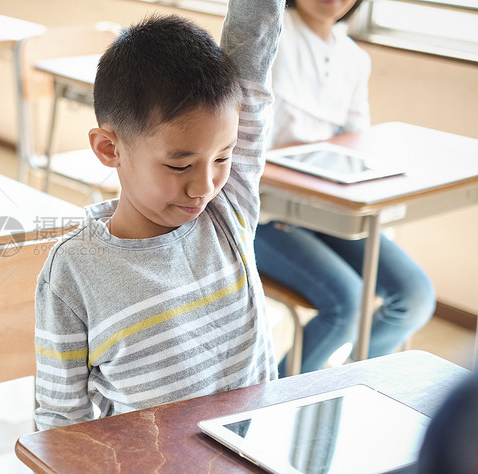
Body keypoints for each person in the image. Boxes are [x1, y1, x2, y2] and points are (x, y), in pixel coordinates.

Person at [33, 0, 283, 430]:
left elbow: (252, 63)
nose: (205, 184)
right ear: (109, 149)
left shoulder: (228, 208)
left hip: (255, 455)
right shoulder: (73, 272)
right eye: (179, 165)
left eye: (223, 157)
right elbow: (61, 422)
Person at [254, 0, 435, 375]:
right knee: (347, 305)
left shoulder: (354, 58)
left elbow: (356, 140)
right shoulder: (266, 33)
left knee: (414, 297)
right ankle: (276, 398)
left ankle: (350, 379)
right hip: (261, 210)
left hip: (325, 209)